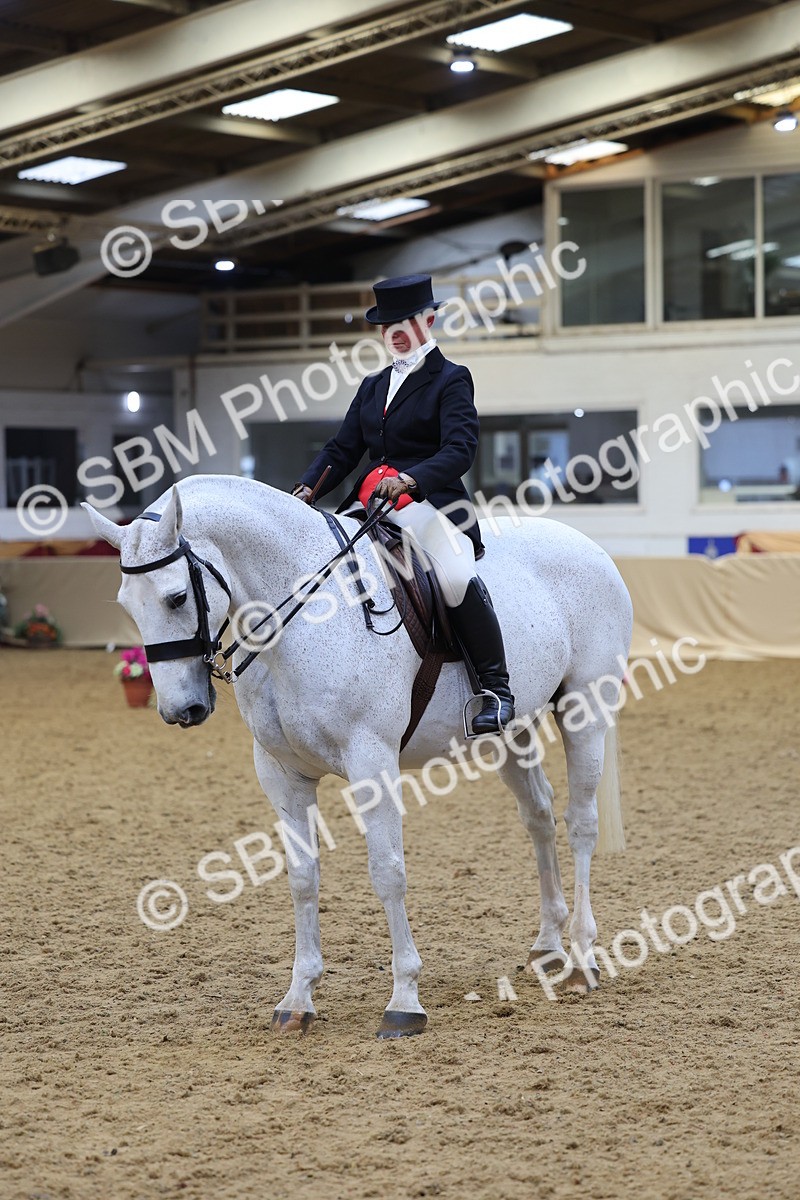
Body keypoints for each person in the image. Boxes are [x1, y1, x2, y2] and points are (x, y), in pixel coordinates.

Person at [292, 273, 514, 735]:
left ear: (428, 319)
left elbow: (460, 450)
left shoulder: (451, 379)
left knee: (454, 574)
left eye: (405, 320)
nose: (394, 331)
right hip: (370, 501)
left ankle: (496, 689)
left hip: (429, 501)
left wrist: (412, 478)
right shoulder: (373, 385)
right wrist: (309, 488)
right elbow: (342, 448)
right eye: (386, 323)